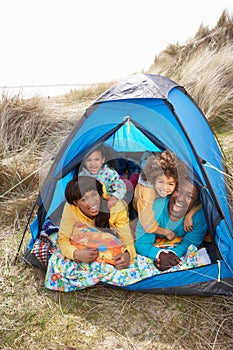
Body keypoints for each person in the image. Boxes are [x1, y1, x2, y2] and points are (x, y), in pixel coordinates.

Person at [58, 175, 136, 269]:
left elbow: (127, 238)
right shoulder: (71, 208)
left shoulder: (116, 207)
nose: (92, 202)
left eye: (94, 194)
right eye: (84, 199)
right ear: (75, 203)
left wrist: (128, 254)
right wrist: (75, 253)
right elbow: (63, 238)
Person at [135, 174, 208, 271]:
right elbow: (141, 242)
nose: (181, 198)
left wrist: (173, 254)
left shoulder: (198, 218)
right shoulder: (154, 209)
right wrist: (160, 254)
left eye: (189, 196)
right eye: (178, 191)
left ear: (196, 202)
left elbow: (191, 243)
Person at [133, 150, 200, 239]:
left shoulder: (169, 188)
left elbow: (200, 202)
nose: (165, 188)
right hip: (136, 208)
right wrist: (167, 232)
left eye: (170, 184)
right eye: (161, 182)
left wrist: (189, 215)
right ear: (154, 179)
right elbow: (147, 224)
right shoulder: (148, 194)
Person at [78, 145, 127, 209]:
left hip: (108, 201)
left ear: (103, 160)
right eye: (89, 160)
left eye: (96, 159)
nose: (93, 163)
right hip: (92, 203)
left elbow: (121, 187)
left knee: (119, 205)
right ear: (84, 162)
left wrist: (114, 197)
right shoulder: (82, 175)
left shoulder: (109, 173)